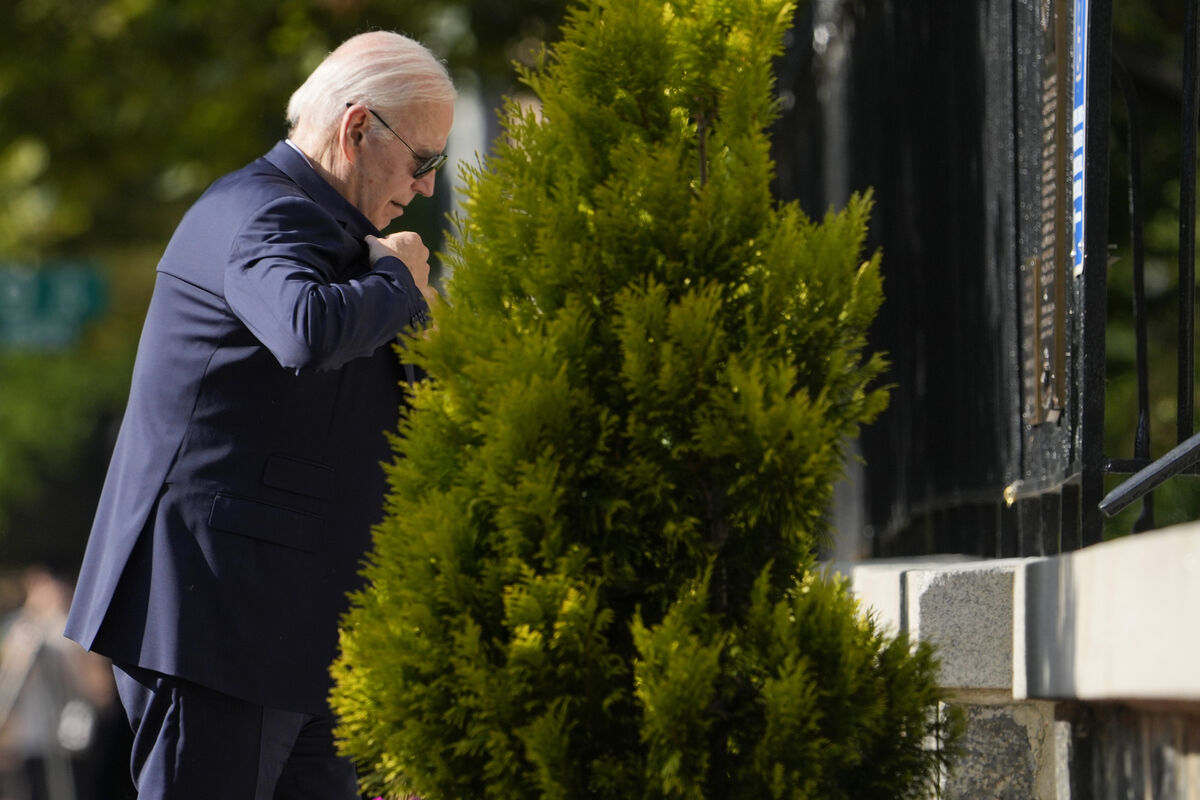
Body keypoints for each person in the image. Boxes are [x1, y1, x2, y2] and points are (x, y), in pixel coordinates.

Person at [63, 31, 456, 799]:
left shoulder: (332, 233)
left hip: (291, 637)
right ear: (356, 130)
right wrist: (399, 288)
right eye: (424, 161)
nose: (428, 188)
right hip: (221, 627)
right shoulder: (260, 208)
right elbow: (305, 328)